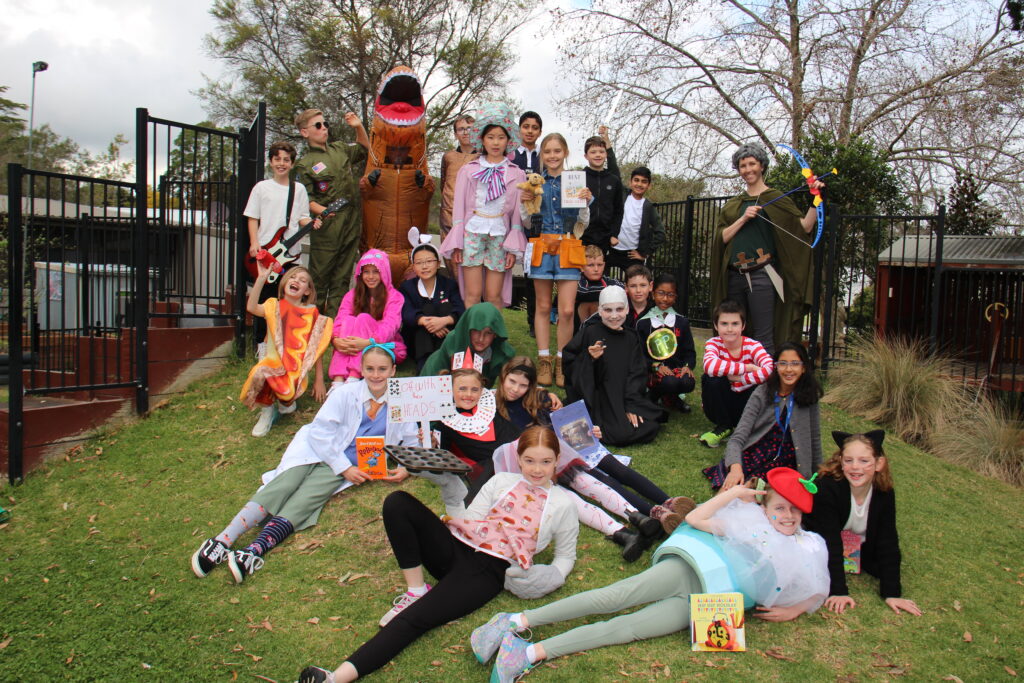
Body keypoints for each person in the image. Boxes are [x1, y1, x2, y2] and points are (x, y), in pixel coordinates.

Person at [476, 467, 829, 682]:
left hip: (709, 606)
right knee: (614, 597)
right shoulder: (744, 520)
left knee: (627, 629)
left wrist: (796, 609)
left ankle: (529, 654)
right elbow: (693, 520)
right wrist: (734, 493)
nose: (787, 516)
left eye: (795, 511)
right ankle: (515, 620)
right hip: (686, 571)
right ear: (765, 504)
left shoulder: (807, 546)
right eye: (780, 507)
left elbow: (817, 587)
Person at [296, 425, 579, 683]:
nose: (537, 469)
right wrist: (449, 489)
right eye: (530, 460)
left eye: (545, 461)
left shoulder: (563, 504)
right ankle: (415, 588)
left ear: (557, 460)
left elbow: (565, 557)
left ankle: (334, 679)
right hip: (457, 546)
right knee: (397, 502)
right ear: (519, 458)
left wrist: (550, 576)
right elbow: (469, 520)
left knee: (414, 619)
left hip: (486, 572)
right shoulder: (501, 481)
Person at [192, 344, 417, 583]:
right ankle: (222, 540)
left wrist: (406, 467)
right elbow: (320, 432)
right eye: (369, 368)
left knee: (306, 499)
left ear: (393, 371)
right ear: (361, 369)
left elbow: (412, 439)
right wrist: (343, 467)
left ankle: (254, 551)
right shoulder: (345, 393)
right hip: (316, 449)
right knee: (284, 484)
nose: (375, 374)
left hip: (350, 464)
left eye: (382, 369)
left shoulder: (402, 400)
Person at [710, 143, 823, 355]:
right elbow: (721, 238)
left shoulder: (775, 198)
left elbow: (804, 227)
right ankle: (735, 381)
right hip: (734, 276)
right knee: (732, 334)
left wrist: (815, 199)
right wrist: (743, 218)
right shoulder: (735, 204)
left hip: (763, 275)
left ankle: (763, 384)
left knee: (763, 336)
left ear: (761, 166)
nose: (747, 169)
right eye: (742, 165)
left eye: (752, 163)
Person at [805, 430, 922, 617]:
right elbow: (830, 541)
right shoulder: (827, 487)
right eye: (848, 460)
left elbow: (888, 540)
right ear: (841, 461)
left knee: (877, 565)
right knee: (812, 560)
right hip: (821, 540)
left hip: (856, 545)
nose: (855, 467)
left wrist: (892, 593)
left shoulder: (884, 492)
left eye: (864, 461)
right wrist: (839, 591)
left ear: (879, 463)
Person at [440, 104, 527, 309]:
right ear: (482, 139)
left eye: (500, 137)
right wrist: (458, 243)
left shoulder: (517, 173)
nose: (495, 142)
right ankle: (472, 339)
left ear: (508, 140)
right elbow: (459, 209)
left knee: (493, 296)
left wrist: (513, 247)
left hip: (500, 236)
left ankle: (492, 340)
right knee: (472, 295)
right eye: (490, 137)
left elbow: (516, 215)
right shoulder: (468, 170)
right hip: (472, 233)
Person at [704, 342, 822, 490]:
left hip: (789, 461)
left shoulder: (810, 397)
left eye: (795, 364)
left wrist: (818, 475)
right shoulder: (762, 392)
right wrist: (735, 468)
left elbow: (814, 439)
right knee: (736, 484)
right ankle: (701, 511)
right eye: (783, 363)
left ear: (803, 368)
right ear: (776, 367)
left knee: (758, 491)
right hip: (757, 453)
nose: (789, 369)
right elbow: (738, 437)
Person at [243, 140, 320, 354]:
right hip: (267, 252)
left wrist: (313, 222)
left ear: (292, 163)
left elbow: (302, 218)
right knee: (265, 299)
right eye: (277, 159)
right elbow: (252, 217)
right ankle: (261, 344)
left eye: (286, 160)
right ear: (271, 161)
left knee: (287, 299)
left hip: (291, 255)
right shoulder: (262, 188)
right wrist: (254, 242)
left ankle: (286, 343)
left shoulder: (299, 189)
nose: (282, 163)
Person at [527, 132, 592, 387]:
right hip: (541, 244)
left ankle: (563, 360)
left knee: (566, 309)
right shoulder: (534, 183)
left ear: (565, 152)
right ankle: (544, 360)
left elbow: (583, 223)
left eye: (557, 151)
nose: (552, 156)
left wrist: (585, 202)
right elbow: (526, 220)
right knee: (542, 307)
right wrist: (526, 203)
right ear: (541, 155)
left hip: (568, 245)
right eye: (547, 152)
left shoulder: (575, 182)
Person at [562, 286, 662, 446]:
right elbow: (569, 364)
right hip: (594, 398)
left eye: (619, 309)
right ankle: (594, 427)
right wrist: (589, 359)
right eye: (608, 310)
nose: (614, 316)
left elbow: (637, 373)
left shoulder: (631, 337)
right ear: (599, 311)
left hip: (622, 397)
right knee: (619, 434)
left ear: (627, 309)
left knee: (648, 424)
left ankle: (599, 428)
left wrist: (631, 406)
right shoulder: (589, 332)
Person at [241, 262, 332, 437]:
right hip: (272, 363)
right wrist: (261, 279)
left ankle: (285, 401)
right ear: (284, 282)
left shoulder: (312, 314)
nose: (296, 280)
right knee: (261, 372)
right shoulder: (273, 306)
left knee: (287, 402)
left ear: (307, 291)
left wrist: (318, 379)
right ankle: (267, 412)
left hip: (295, 370)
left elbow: (316, 349)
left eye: (302, 280)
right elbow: (251, 308)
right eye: (292, 276)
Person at [294, 109, 370, 316]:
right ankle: (311, 327)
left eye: (325, 123)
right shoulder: (304, 164)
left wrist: (358, 126)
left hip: (351, 222)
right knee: (319, 279)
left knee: (342, 278)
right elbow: (304, 198)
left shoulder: (340, 149)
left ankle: (333, 327)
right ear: (304, 132)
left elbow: (365, 148)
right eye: (317, 125)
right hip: (328, 227)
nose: (324, 128)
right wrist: (323, 211)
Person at [435, 368, 522, 500]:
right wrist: (432, 442)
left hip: (519, 447)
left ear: (481, 391)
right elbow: (443, 452)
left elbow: (525, 391)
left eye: (474, 390)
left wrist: (547, 394)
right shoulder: (446, 421)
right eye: (462, 389)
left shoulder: (490, 404)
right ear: (450, 389)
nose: (469, 394)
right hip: (491, 465)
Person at [699, 300, 773, 448]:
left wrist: (738, 379)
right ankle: (723, 427)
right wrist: (749, 368)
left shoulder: (753, 345)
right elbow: (710, 366)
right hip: (719, 405)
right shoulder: (713, 343)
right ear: (716, 325)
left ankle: (745, 428)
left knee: (762, 385)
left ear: (743, 325)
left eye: (735, 324)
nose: (729, 329)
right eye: (724, 324)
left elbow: (770, 370)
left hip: (746, 404)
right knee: (711, 379)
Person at [329, 250, 407, 382]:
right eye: (366, 272)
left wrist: (368, 342)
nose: (371, 276)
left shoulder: (395, 296)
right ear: (360, 273)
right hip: (355, 342)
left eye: (376, 272)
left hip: (384, 343)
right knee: (348, 320)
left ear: (384, 273)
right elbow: (341, 318)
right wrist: (336, 339)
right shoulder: (352, 294)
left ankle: (353, 376)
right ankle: (338, 379)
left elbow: (390, 325)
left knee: (363, 318)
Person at [399, 237, 465, 371]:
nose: (424, 266)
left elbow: (460, 309)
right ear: (413, 266)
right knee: (426, 311)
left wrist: (444, 321)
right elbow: (406, 312)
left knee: (445, 306)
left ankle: (445, 363)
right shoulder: (407, 287)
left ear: (438, 263)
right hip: (417, 339)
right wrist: (426, 322)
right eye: (419, 263)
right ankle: (424, 367)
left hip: (445, 336)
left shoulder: (449, 284)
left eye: (429, 261)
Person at [636, 273, 696, 414]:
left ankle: (672, 397)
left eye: (670, 294)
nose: (665, 299)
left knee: (688, 382)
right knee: (669, 382)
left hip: (675, 370)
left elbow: (689, 352)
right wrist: (655, 366)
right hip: (653, 371)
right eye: (661, 293)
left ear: (675, 297)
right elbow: (638, 354)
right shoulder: (643, 323)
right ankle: (654, 396)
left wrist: (687, 367)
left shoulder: (681, 322)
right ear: (653, 294)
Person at [420, 302, 516, 385]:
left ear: (495, 334)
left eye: (488, 333)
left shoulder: (503, 353)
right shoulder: (453, 341)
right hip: (442, 388)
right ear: (468, 329)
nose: (481, 339)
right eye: (476, 331)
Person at [510, 111, 543, 336]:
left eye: (534, 127)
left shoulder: (544, 156)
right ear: (519, 129)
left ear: (539, 131)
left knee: (533, 274)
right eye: (526, 126)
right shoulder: (510, 155)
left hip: (536, 223)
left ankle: (533, 322)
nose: (530, 131)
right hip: (511, 221)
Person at [606, 167, 665, 274]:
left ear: (649, 186)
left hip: (632, 254)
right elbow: (613, 169)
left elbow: (661, 233)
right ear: (630, 182)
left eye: (644, 182)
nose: (639, 184)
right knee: (600, 279)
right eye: (636, 180)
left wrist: (646, 253)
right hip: (612, 250)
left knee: (636, 286)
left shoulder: (648, 207)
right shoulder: (622, 195)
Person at [581, 126, 624, 251]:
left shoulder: (613, 180)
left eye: (601, 151)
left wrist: (614, 234)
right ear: (586, 156)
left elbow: (618, 210)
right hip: (582, 236)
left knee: (600, 270)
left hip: (605, 238)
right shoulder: (579, 178)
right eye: (593, 152)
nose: (598, 155)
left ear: (606, 154)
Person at [438, 114, 478, 241]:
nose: (465, 132)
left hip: (474, 217)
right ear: (455, 134)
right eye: (461, 129)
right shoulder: (448, 157)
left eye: (469, 128)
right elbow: (443, 184)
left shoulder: (483, 158)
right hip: (449, 214)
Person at [576, 245, 623, 326]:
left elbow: (622, 288)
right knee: (588, 303)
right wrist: (608, 291)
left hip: (606, 324)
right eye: (590, 265)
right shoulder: (578, 281)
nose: (596, 269)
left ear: (604, 265)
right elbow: (583, 292)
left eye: (600, 265)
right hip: (578, 325)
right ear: (582, 267)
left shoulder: (608, 281)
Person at [623, 264, 653, 329]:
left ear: (650, 286)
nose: (638, 290)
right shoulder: (619, 308)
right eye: (633, 286)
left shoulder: (657, 310)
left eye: (643, 285)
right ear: (626, 287)